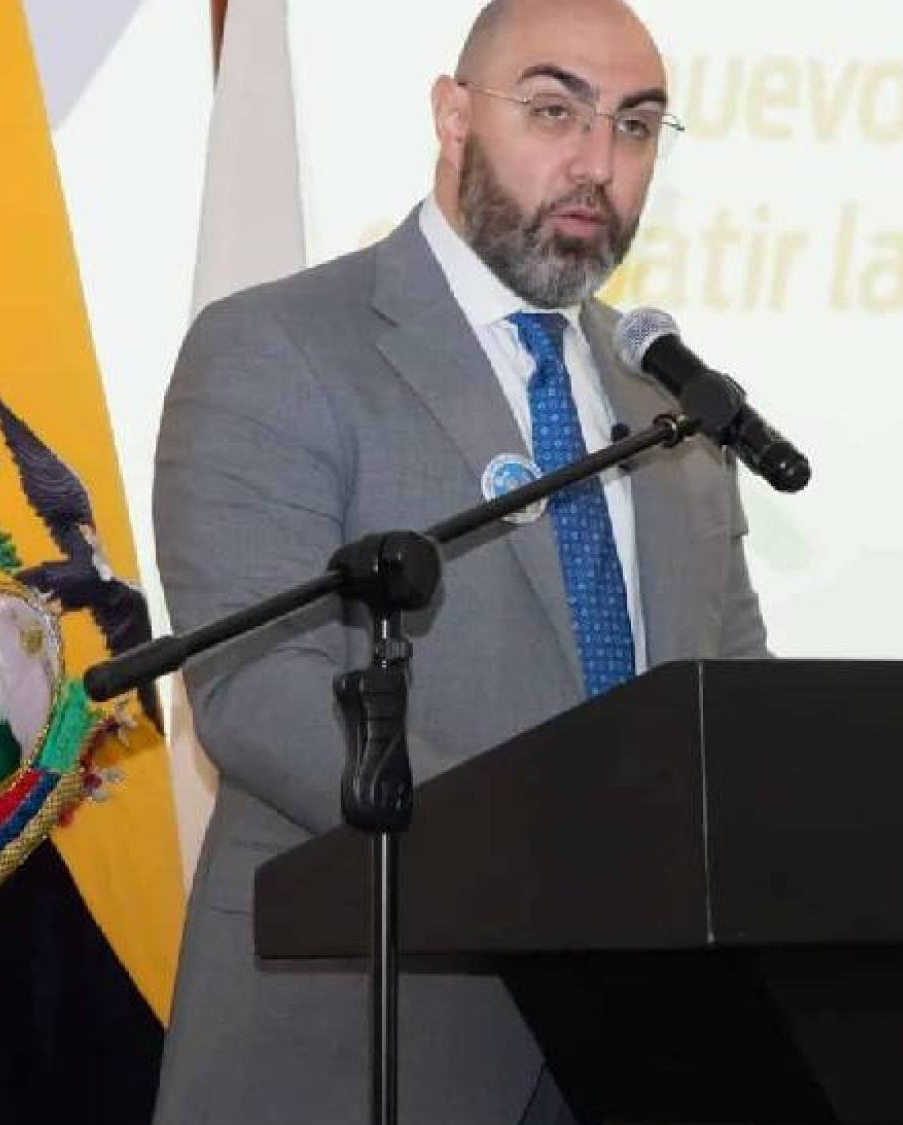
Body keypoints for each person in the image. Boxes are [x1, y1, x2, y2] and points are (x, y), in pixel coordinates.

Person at [149, 0, 770, 1121]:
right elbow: (255, 685)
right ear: (452, 116)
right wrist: (540, 866)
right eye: (554, 112)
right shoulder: (277, 345)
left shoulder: (669, 404)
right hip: (370, 1037)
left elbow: (731, 705)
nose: (597, 165)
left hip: (644, 1046)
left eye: (635, 127)